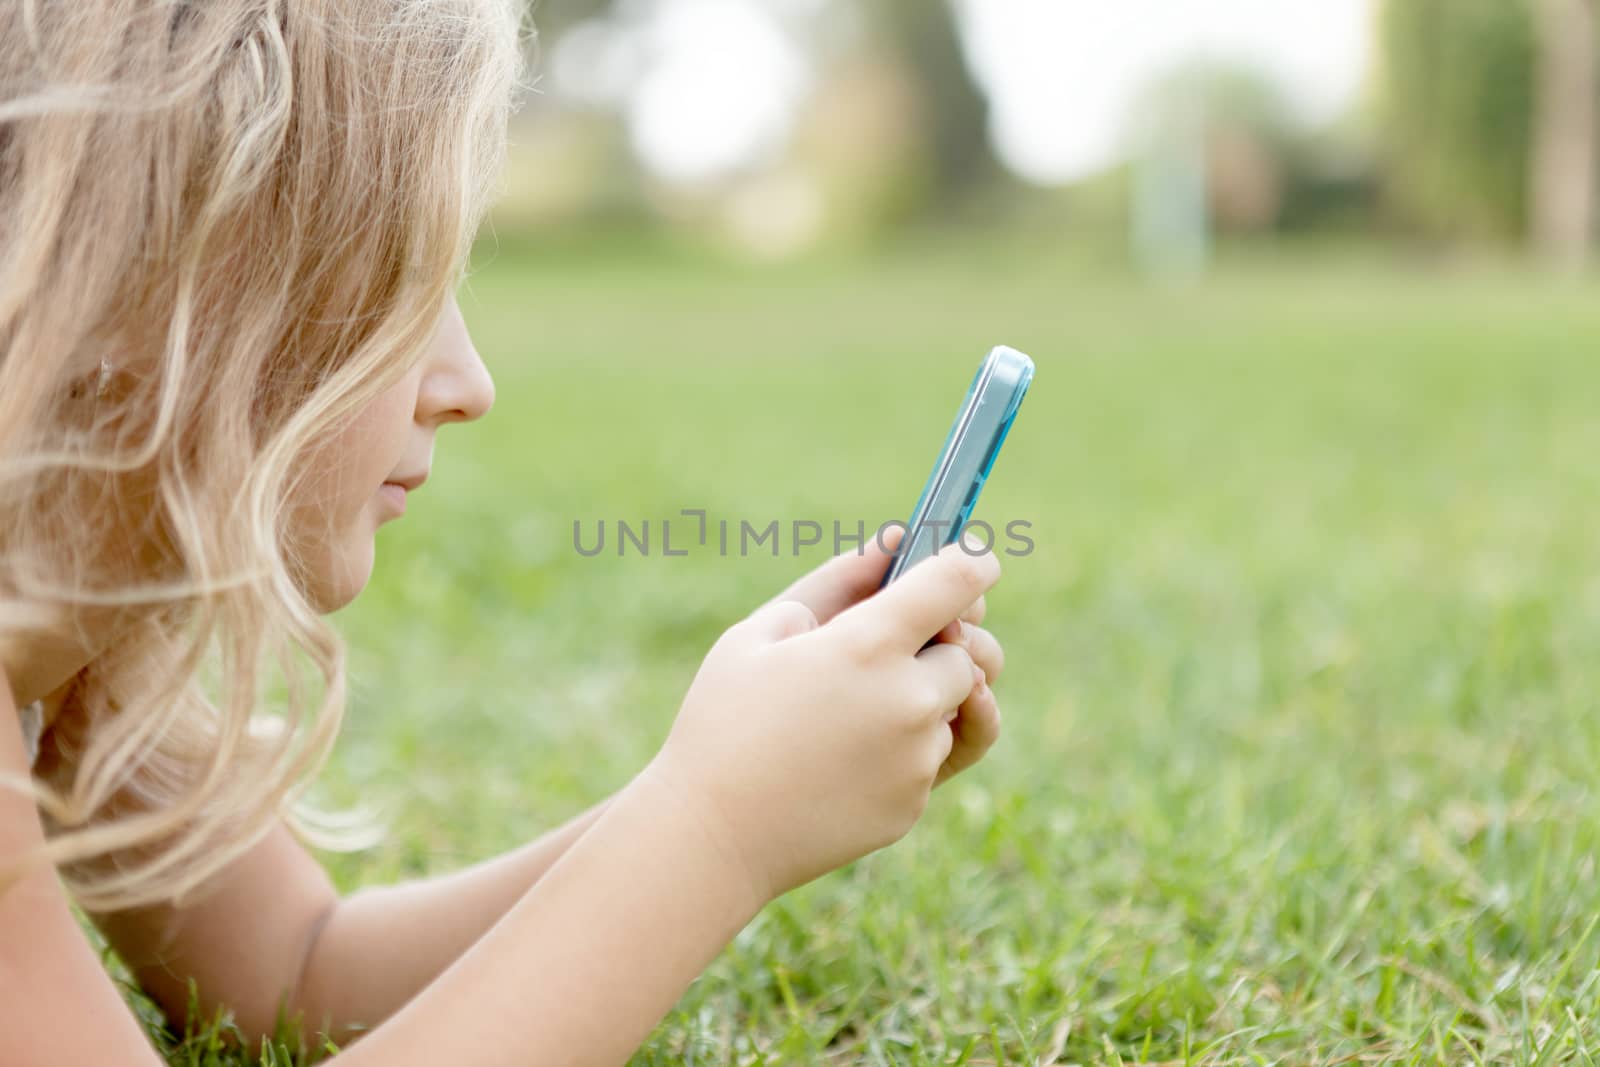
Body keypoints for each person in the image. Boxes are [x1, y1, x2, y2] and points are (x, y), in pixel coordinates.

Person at [0, 2, 1008, 1064]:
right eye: (405, 281)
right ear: (138, 286)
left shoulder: (77, 638)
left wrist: (753, 769)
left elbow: (300, 974)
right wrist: (717, 826)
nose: (470, 385)